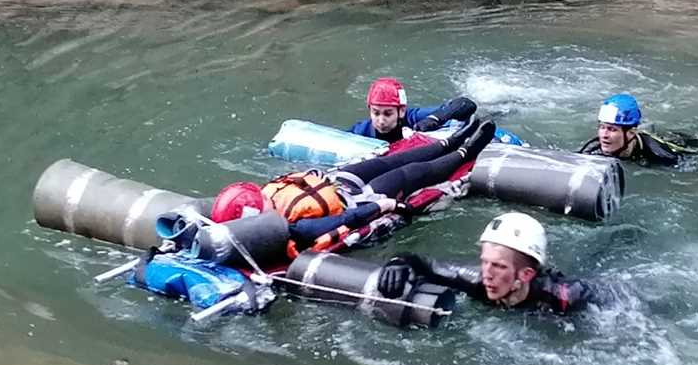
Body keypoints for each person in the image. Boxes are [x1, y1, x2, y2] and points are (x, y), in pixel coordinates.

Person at [213, 117, 497, 249]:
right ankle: (466, 152)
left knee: (390, 160)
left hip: (336, 181)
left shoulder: (266, 201)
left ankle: (452, 139)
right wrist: (383, 206)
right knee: (411, 172)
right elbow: (342, 220)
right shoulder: (288, 230)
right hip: (360, 197)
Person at [376, 212, 608, 314]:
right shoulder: (475, 280)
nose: (487, 273)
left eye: (498, 266)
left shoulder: (566, 296)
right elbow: (423, 264)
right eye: (485, 262)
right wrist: (398, 261)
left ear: (525, 275)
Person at [578, 93, 695, 167]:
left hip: (679, 142)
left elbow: (693, 164)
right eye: (602, 127)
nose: (604, 135)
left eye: (612, 129)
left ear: (631, 133)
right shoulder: (592, 148)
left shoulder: (659, 153)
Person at [349, 77, 478, 143]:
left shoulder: (413, 118)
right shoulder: (361, 130)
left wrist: (434, 119)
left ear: (402, 110)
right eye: (375, 113)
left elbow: (465, 104)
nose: (381, 121)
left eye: (388, 113)